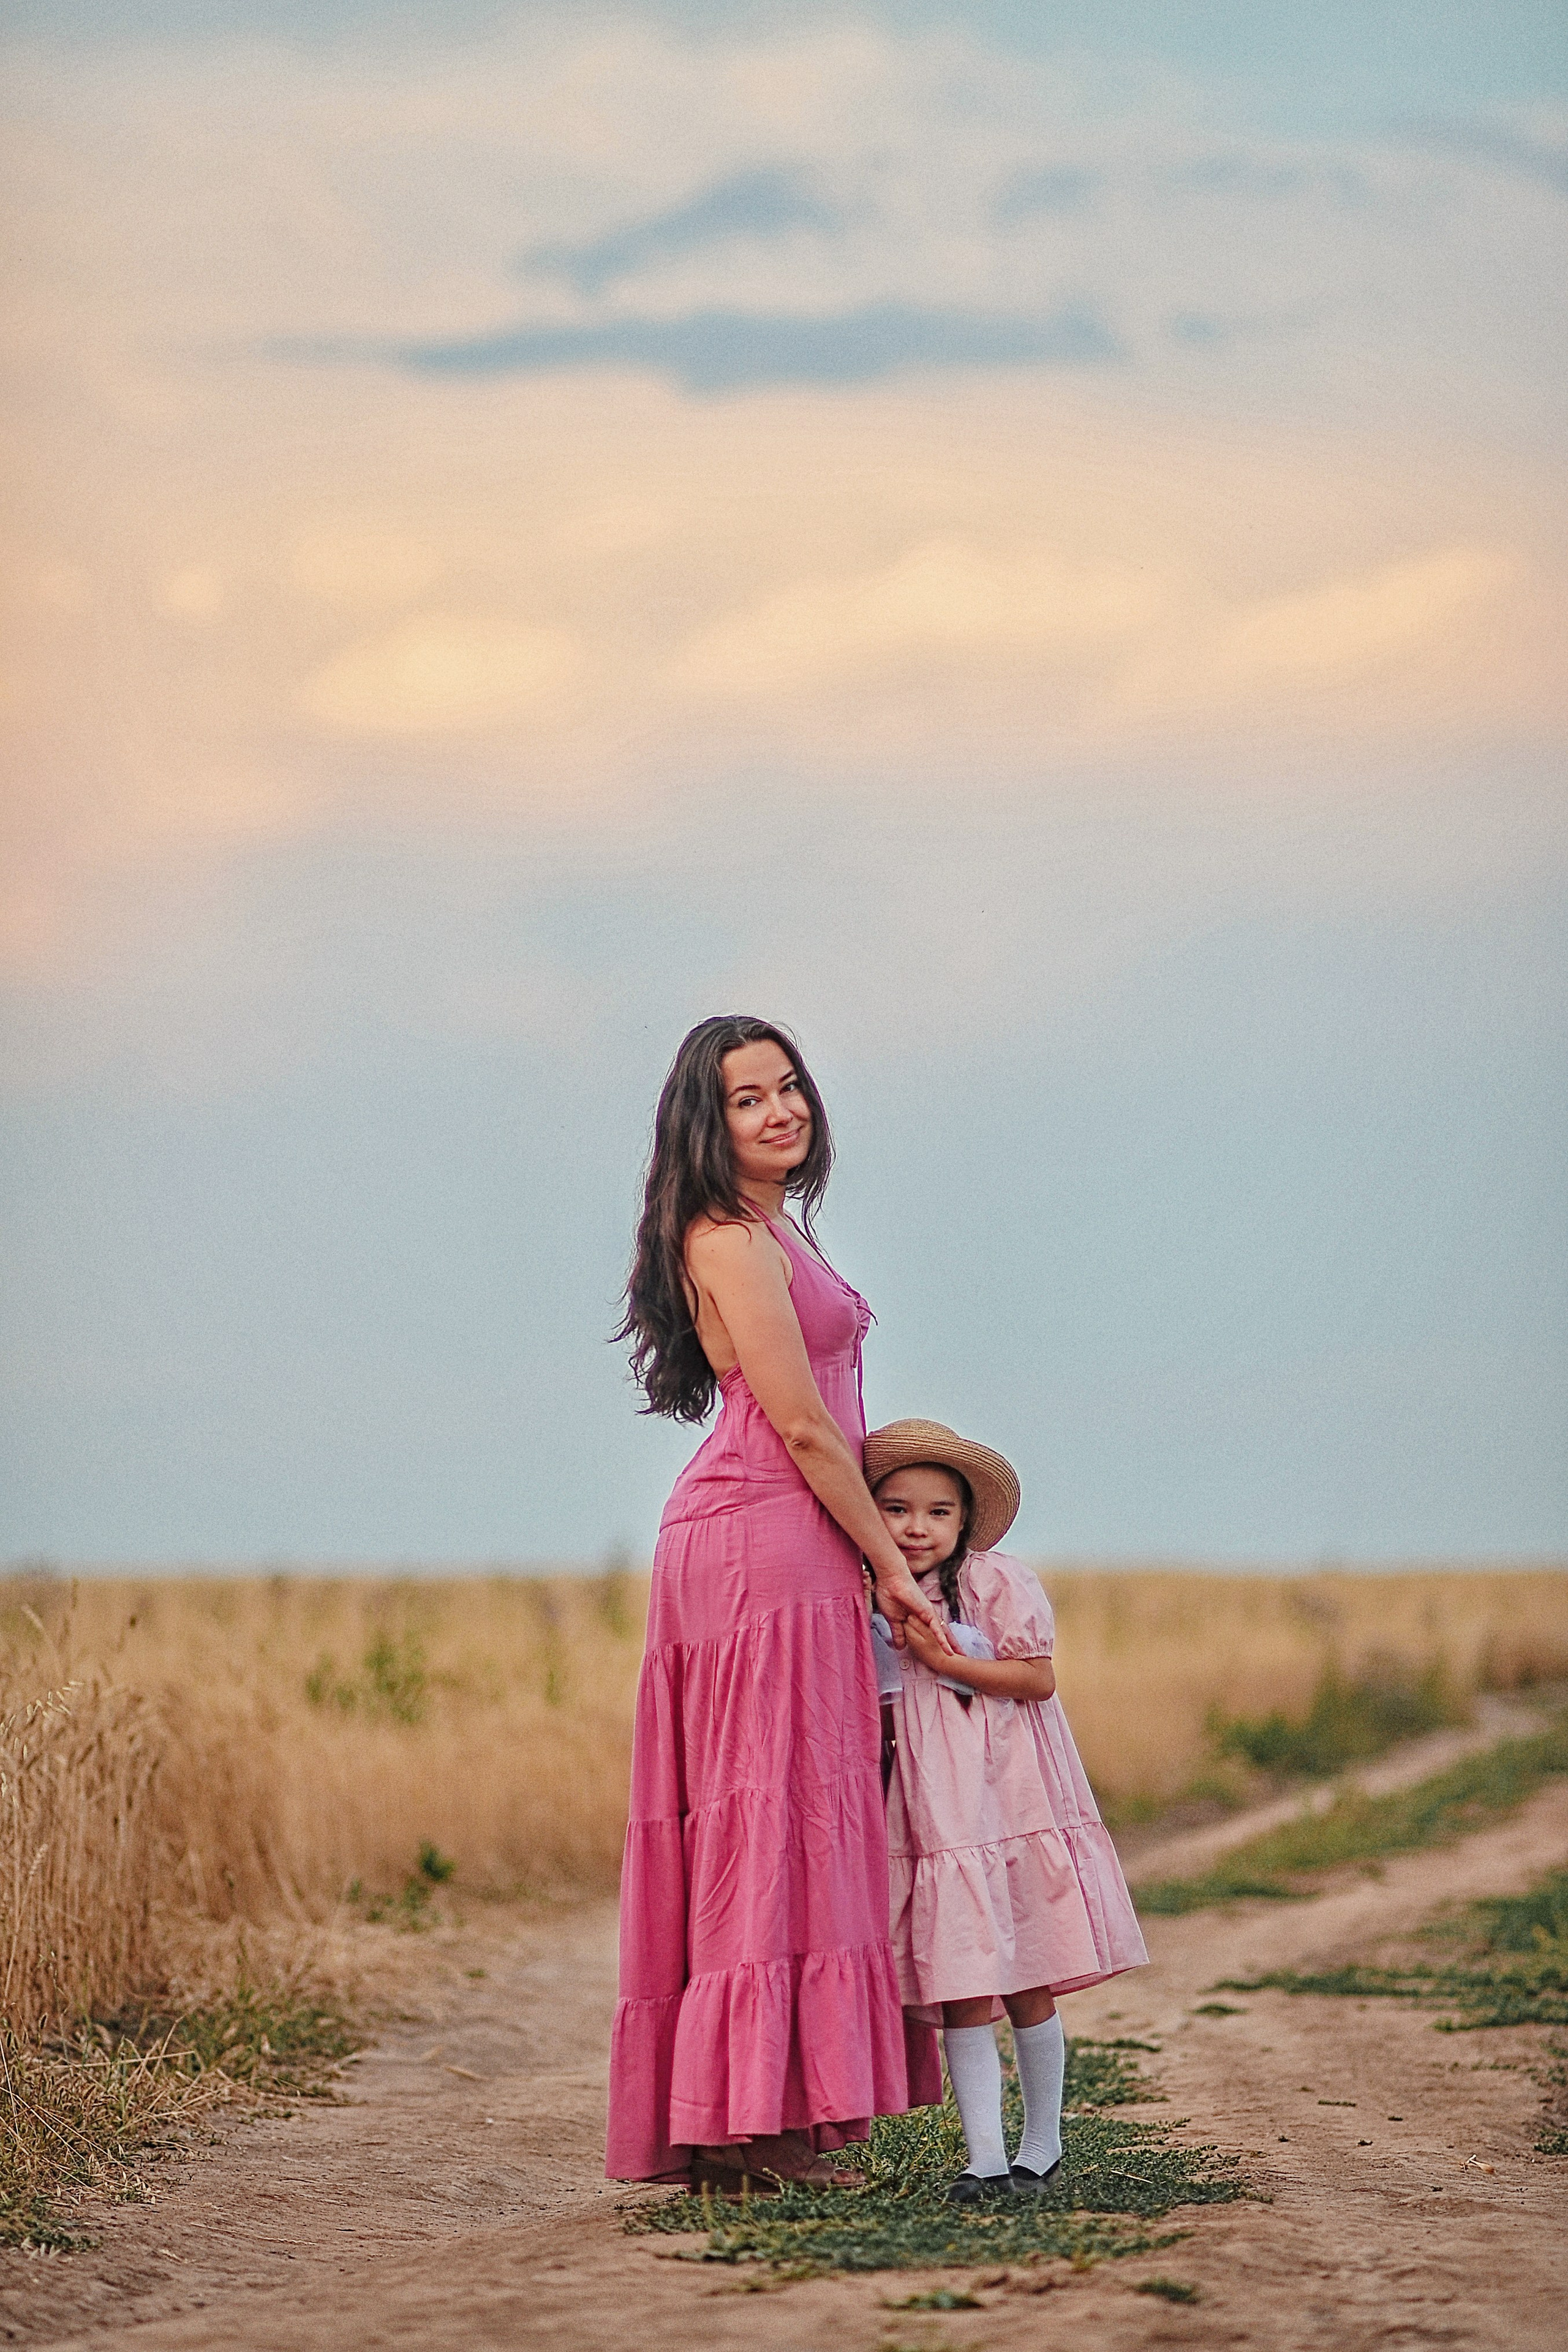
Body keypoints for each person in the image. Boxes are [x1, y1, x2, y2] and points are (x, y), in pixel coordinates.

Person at [605, 1018, 950, 2192]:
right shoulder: (729, 1240)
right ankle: (750, 2124)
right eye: (749, 1098)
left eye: (789, 1085)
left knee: (796, 1812)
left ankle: (770, 2114)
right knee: (768, 1817)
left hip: (789, 1533)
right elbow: (802, 1424)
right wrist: (894, 1569)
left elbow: (831, 1418)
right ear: (712, 1124)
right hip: (761, 1542)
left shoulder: (771, 1228)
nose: (781, 1110)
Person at [865, 1417, 1148, 2204]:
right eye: (895, 1508)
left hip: (1003, 1786)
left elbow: (1036, 1680)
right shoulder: (872, 1590)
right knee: (960, 1969)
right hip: (927, 1799)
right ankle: (982, 2157)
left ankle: (1041, 2142)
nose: (916, 1526)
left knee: (1025, 1968)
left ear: (964, 1521)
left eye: (938, 1511)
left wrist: (945, 1660)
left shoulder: (995, 1582)